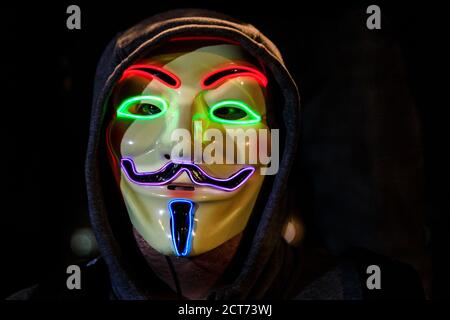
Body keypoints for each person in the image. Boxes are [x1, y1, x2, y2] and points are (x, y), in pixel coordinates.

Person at [8, 9, 424, 300]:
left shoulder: (369, 292)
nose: (183, 144)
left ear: (275, 148)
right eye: (146, 108)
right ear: (103, 145)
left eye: (229, 110)